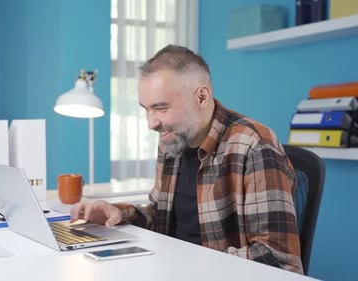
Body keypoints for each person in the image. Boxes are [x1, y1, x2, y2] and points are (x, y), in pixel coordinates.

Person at [70, 44, 303, 274]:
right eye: (146, 109)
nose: (151, 123)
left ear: (202, 97)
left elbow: (278, 261)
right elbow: (161, 215)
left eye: (161, 108)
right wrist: (118, 213)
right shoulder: (172, 140)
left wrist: (186, 263)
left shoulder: (254, 146)